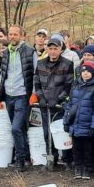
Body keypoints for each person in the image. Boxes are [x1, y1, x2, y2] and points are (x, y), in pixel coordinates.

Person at [0, 25, 36, 172]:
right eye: (10, 34)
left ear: (21, 35)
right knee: (20, 129)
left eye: (15, 34)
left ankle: (20, 159)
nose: (12, 36)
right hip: (8, 95)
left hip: (22, 94)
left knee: (15, 128)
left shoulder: (29, 51)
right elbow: (3, 74)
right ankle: (25, 157)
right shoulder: (6, 52)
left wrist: (34, 93)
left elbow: (35, 74)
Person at [33, 34, 75, 168]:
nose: (52, 51)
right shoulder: (40, 64)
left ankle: (67, 160)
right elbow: (37, 83)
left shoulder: (67, 64)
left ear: (61, 49)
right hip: (44, 105)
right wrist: (41, 97)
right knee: (47, 134)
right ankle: (52, 159)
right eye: (50, 48)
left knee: (63, 132)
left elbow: (69, 85)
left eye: (55, 49)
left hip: (60, 106)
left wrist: (58, 99)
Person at [64, 61, 94, 180]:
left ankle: (86, 168)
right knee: (76, 149)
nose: (85, 73)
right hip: (75, 124)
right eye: (83, 71)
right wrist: (66, 121)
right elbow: (69, 105)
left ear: (93, 73)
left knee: (87, 149)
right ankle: (78, 167)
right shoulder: (75, 86)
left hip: (87, 125)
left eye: (88, 71)